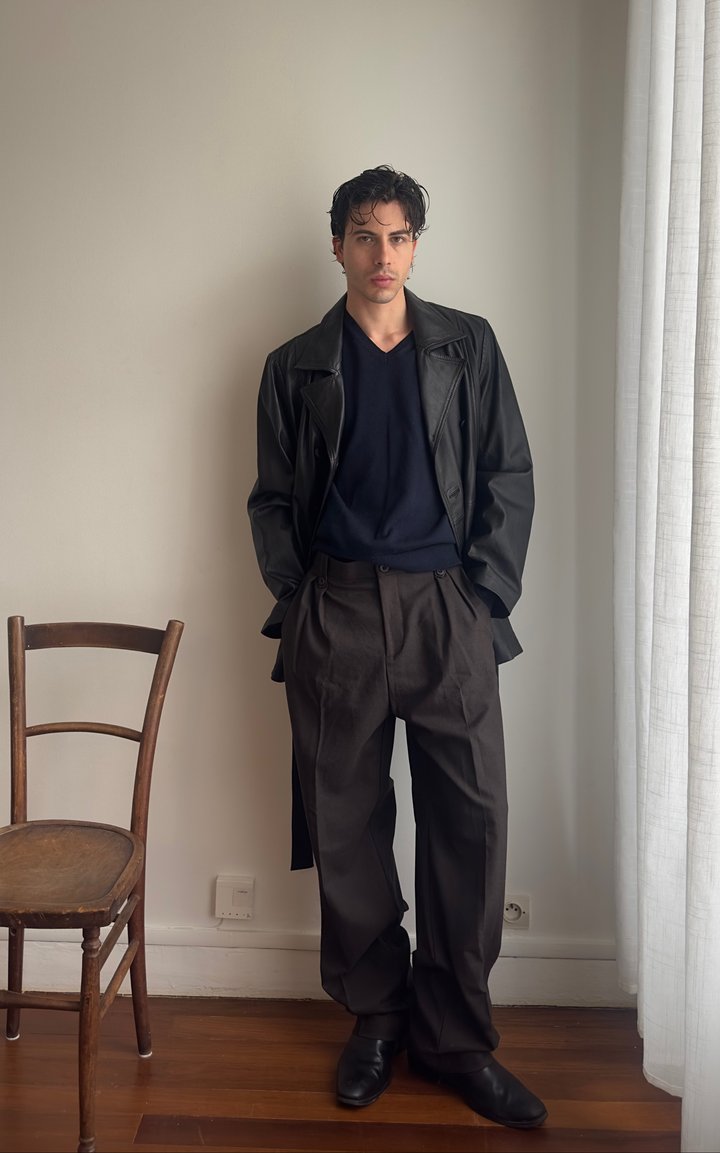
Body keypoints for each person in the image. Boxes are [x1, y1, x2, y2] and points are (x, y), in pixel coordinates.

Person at [247, 165, 544, 1129]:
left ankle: (456, 1036)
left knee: (473, 818)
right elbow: (272, 500)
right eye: (365, 235)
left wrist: (484, 594)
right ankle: (377, 1017)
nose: (383, 255)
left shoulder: (469, 345)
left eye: (400, 236)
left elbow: (508, 472)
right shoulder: (294, 363)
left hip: (447, 611)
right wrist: (300, 602)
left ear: (418, 245)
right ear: (336, 244)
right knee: (346, 823)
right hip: (336, 607)